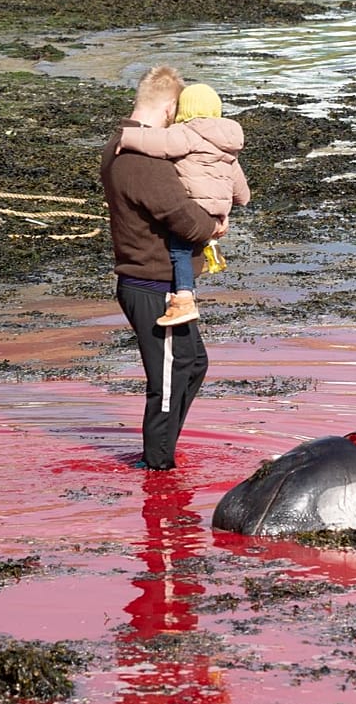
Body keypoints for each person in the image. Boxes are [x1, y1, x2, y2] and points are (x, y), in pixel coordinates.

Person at [100, 65, 220, 471]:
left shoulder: (122, 144)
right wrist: (215, 224)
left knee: (193, 364)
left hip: (154, 283)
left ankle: (161, 451)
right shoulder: (142, 160)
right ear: (170, 108)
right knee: (168, 380)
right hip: (151, 285)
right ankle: (156, 467)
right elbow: (186, 219)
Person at [116, 83, 250, 327]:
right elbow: (240, 188)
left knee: (180, 252)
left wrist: (127, 137)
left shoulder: (187, 132)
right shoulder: (228, 142)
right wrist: (231, 206)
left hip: (195, 207)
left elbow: (158, 143)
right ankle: (200, 267)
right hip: (217, 209)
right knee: (193, 249)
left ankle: (184, 300)